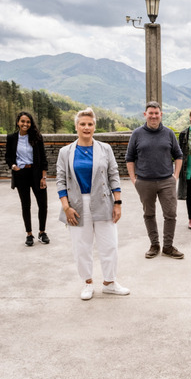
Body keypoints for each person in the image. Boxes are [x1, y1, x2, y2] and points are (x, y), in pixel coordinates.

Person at [56, 108, 129, 300]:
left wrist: (118, 202)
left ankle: (109, 282)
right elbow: (60, 180)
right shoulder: (65, 152)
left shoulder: (105, 149)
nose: (86, 127)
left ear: (94, 127)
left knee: (109, 244)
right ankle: (87, 283)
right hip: (77, 204)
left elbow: (114, 175)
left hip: (103, 201)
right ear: (76, 126)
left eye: (90, 124)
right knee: (81, 246)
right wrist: (66, 207)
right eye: (82, 124)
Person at [126, 101, 184, 259]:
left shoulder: (169, 133)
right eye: (150, 113)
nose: (153, 116)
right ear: (145, 115)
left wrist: (175, 176)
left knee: (170, 214)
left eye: (156, 113)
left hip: (166, 181)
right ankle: (154, 245)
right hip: (144, 182)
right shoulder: (137, 134)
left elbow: (178, 155)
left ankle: (168, 246)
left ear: (161, 114)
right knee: (149, 214)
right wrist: (133, 179)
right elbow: (129, 158)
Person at [5, 111, 49, 247]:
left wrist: (44, 177)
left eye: (28, 122)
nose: (25, 124)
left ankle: (42, 232)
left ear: (31, 123)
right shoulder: (12, 138)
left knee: (43, 204)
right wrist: (13, 166)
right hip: (21, 174)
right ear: (18, 122)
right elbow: (8, 156)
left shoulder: (37, 137)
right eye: (23, 121)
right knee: (26, 205)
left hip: (36, 173)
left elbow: (43, 158)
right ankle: (29, 234)